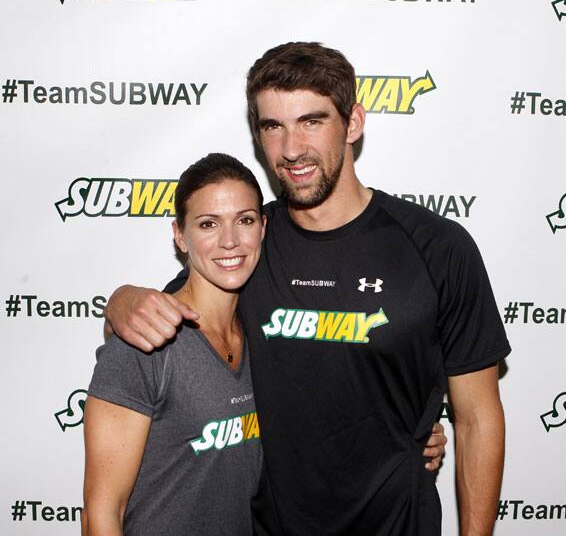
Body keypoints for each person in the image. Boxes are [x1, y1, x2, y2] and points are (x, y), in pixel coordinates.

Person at [106, 42, 510, 535]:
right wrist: (121, 299)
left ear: (353, 123)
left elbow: (477, 419)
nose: (291, 148)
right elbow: (161, 316)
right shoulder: (248, 246)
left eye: (311, 121)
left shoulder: (438, 248)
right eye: (272, 126)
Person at [82, 154, 266, 535]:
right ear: (180, 235)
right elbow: (101, 515)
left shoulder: (267, 338)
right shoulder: (143, 345)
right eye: (208, 224)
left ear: (262, 228)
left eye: (244, 220)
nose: (230, 240)